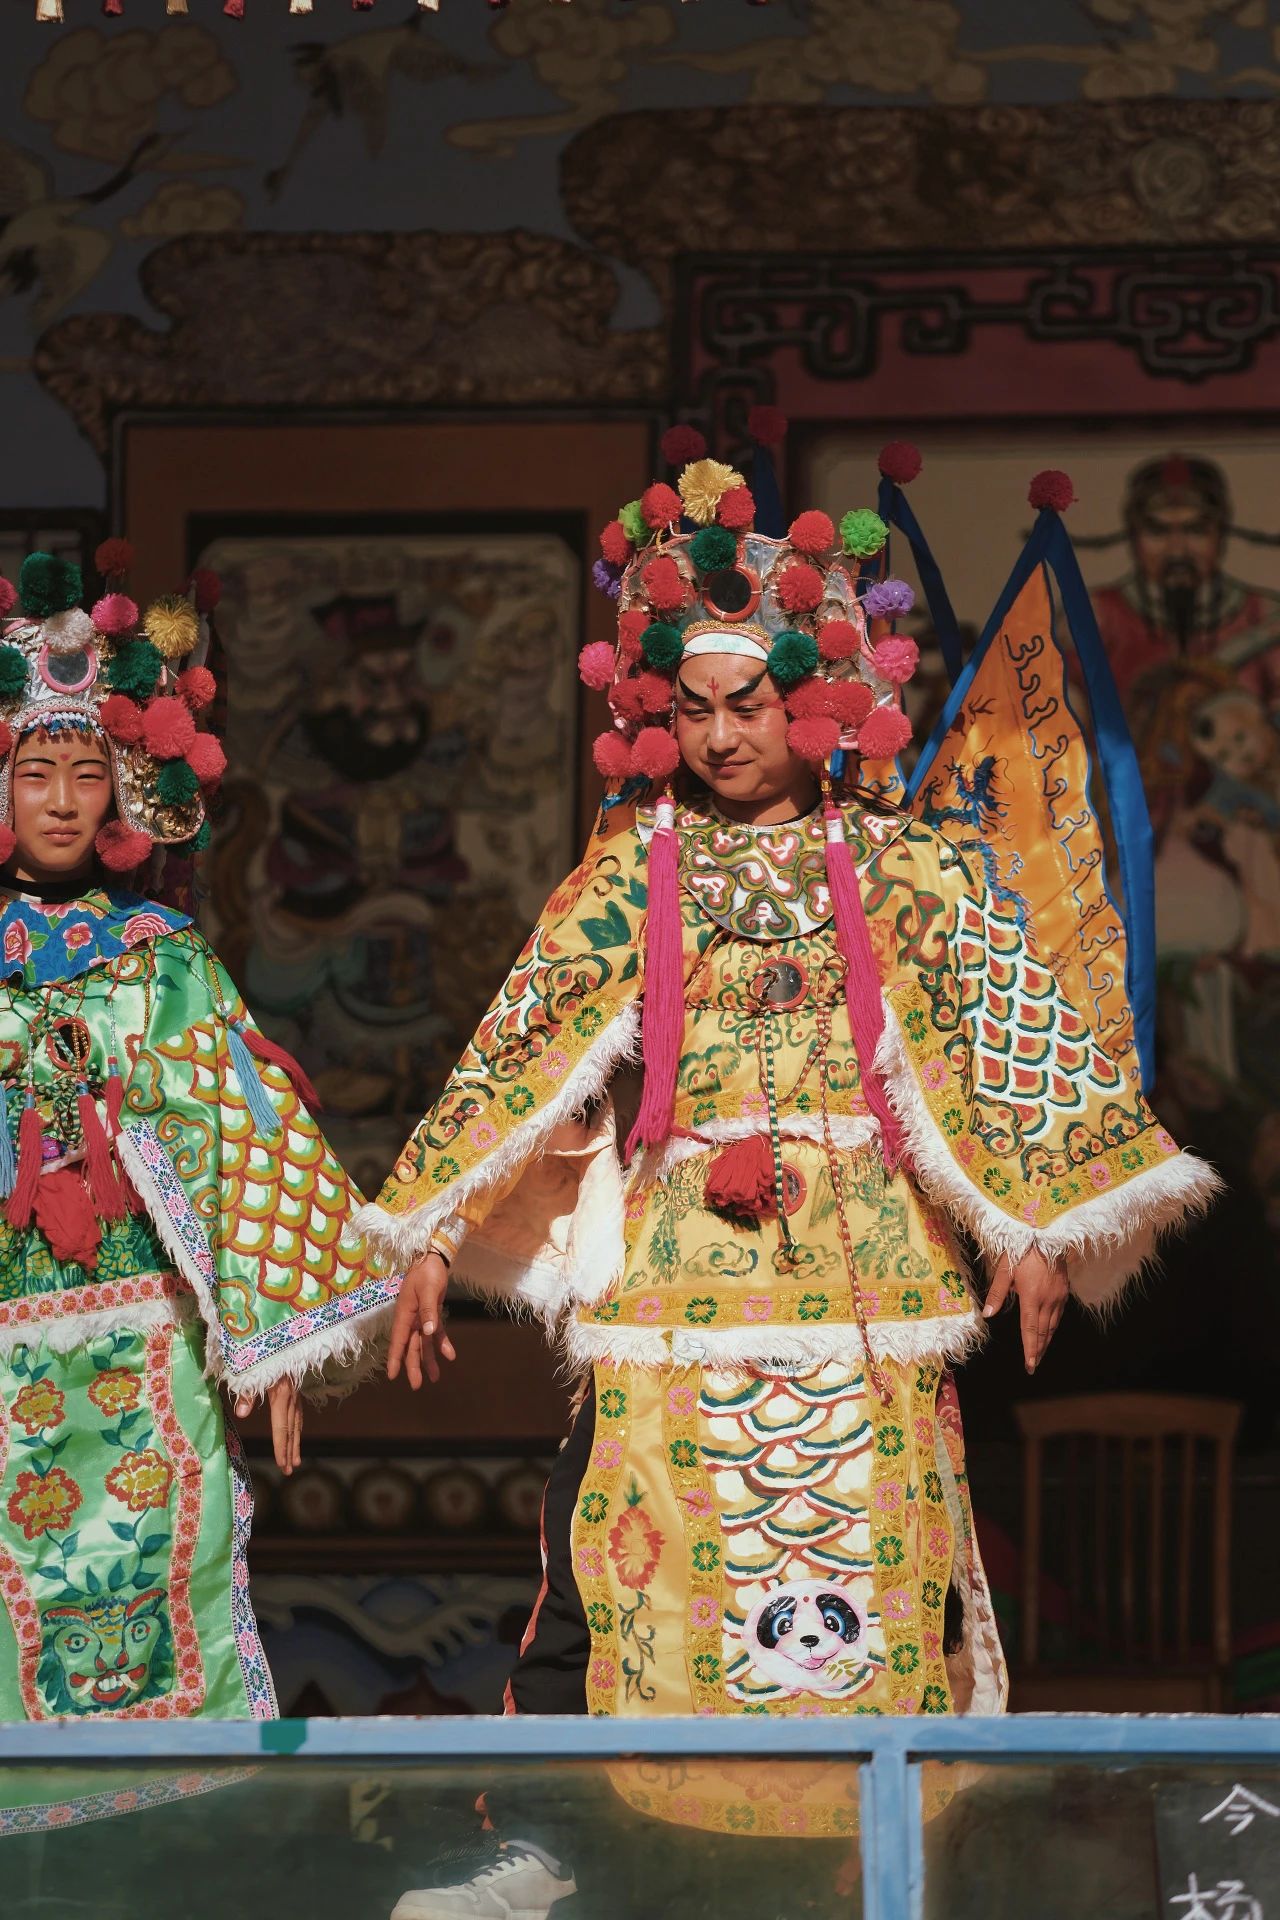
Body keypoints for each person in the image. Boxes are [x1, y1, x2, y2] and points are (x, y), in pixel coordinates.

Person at [356, 455, 1220, 1917]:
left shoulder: (903, 866)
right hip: (677, 1283)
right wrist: (432, 1231)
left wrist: (1036, 1232)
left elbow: (1007, 1030)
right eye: (689, 708)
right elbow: (528, 1038)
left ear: (818, 697)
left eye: (746, 703)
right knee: (614, 1543)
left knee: (889, 1575)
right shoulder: (634, 867)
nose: (718, 734)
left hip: (868, 1283)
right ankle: (591, 1846)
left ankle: (864, 1865)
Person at [0, 549, 397, 1761]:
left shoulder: (158, 956)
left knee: (162, 1621)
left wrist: (274, 1335)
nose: (65, 800)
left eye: (88, 772)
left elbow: (236, 1137)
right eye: (39, 773)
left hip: (144, 1345)